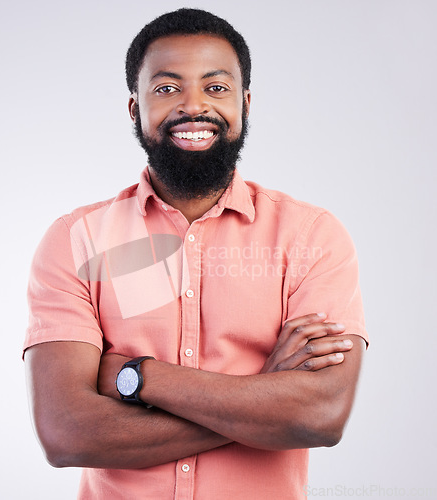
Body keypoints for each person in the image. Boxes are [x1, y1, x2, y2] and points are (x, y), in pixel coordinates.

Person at [23, 8, 368, 499]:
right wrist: (263, 398)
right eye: (166, 89)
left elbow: (319, 416)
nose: (193, 106)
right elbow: (66, 432)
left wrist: (137, 377)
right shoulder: (75, 239)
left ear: (245, 103)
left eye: (216, 87)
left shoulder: (312, 235)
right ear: (133, 108)